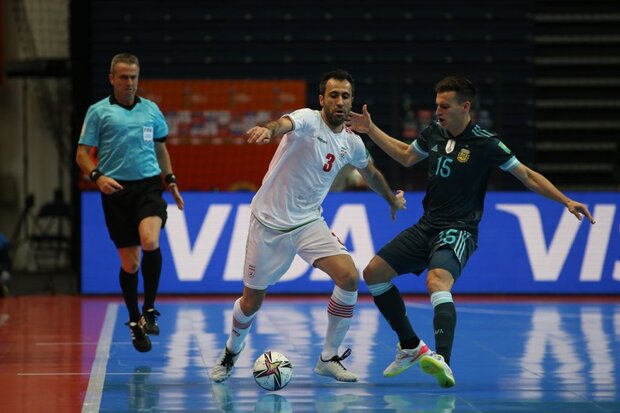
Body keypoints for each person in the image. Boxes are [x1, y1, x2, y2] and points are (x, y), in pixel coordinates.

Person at [346, 75, 595, 388]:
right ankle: (409, 346)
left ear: (465, 107)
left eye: (444, 106)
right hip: (427, 225)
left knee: (437, 280)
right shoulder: (434, 133)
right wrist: (371, 130)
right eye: (437, 105)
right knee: (374, 273)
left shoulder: (485, 142)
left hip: (459, 228)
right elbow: (407, 156)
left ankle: (443, 361)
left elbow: (528, 176)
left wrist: (565, 201)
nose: (438, 111)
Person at [210, 69, 406, 383]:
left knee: (349, 276)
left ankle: (329, 356)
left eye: (345, 96)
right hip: (268, 224)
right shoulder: (307, 120)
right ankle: (232, 349)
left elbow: (369, 171)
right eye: (333, 95)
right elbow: (283, 123)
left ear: (352, 101)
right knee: (251, 301)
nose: (339, 101)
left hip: (309, 223)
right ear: (322, 99)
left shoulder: (351, 142)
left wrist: (390, 198)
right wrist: (269, 129)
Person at [76, 53, 184, 353]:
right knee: (130, 263)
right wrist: (97, 177)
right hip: (116, 191)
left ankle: (149, 310)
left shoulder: (151, 111)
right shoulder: (99, 112)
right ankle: (134, 319)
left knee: (150, 239)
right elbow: (82, 154)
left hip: (148, 186)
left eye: (133, 77)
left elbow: (161, 148)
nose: (129, 83)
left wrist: (171, 180)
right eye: (123, 77)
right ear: (112, 78)